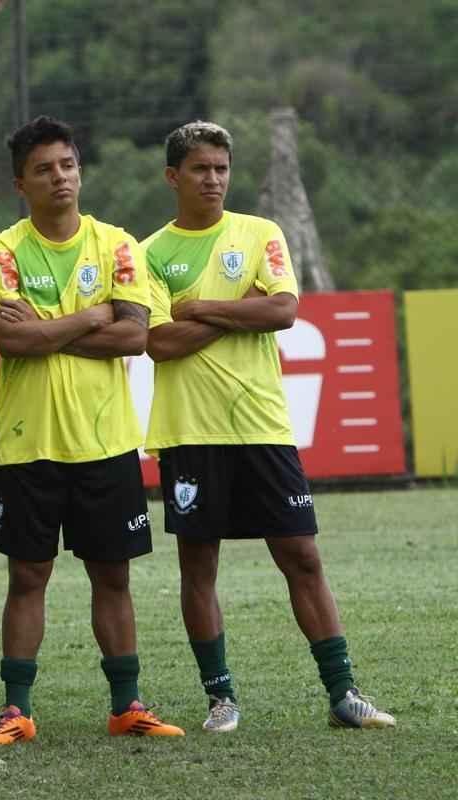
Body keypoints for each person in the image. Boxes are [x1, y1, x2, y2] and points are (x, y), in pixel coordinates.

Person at [144, 120, 395, 732]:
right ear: (174, 176)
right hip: (191, 431)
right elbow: (158, 342)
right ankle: (221, 698)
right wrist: (239, 311)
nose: (214, 180)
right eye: (201, 169)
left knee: (302, 556)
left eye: (222, 169)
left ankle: (343, 694)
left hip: (261, 425)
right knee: (198, 567)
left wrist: (200, 306)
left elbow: (282, 309)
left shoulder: (260, 233)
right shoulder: (151, 252)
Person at [0, 116, 184, 744]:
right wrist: (93, 316)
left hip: (105, 442)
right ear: (20, 183)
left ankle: (127, 706)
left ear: (79, 170)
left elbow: (135, 335)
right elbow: (12, 339)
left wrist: (53, 327)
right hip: (28, 440)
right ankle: (16, 710)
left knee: (112, 576)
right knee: (27, 576)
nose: (59, 178)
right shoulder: (1, 250)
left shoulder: (117, 244)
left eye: (67, 165)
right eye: (43, 169)